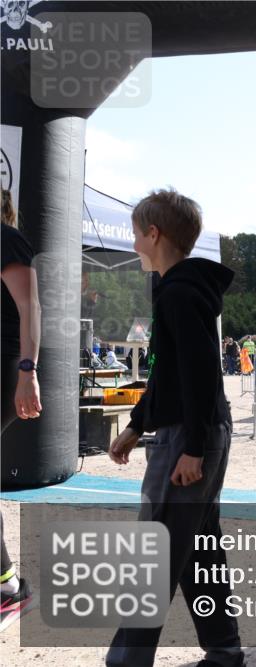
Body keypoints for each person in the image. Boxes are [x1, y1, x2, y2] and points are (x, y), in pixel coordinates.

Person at [105, 189, 243, 667]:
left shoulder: (180, 292)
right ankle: (225, 652)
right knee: (198, 549)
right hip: (196, 430)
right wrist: (137, 425)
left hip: (191, 436)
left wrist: (193, 448)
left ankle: (125, 661)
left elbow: (202, 371)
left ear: (153, 233)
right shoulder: (181, 288)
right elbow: (171, 372)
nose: (134, 242)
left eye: (136, 232)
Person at [0, 189, 42, 632]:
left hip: (6, 364)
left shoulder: (6, 238)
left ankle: (9, 589)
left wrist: (28, 371)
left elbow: (31, 306)